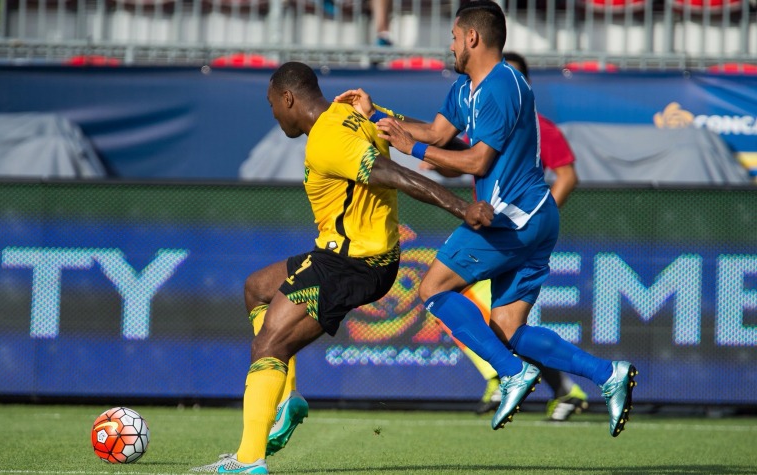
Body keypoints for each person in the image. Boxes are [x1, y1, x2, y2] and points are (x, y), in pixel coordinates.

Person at [335, 0, 636, 437]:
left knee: (433, 287)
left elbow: (476, 161)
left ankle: (511, 375)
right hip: (529, 219)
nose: (450, 45)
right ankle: (608, 373)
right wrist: (376, 112)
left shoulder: (502, 85)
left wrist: (409, 148)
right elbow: (438, 133)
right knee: (507, 328)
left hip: (514, 218)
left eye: (454, 37)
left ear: (472, 38)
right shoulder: (465, 89)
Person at [191, 60, 493, 474]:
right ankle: (287, 402)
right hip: (344, 253)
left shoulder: (328, 138)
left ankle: (248, 462)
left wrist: (463, 208)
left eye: (272, 105)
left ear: (288, 98)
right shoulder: (351, 114)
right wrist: (381, 112)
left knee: (269, 346)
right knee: (257, 288)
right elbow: (417, 131)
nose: (274, 114)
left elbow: (394, 174)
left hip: (353, 262)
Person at [469, 50, 586, 421]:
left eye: (512, 77)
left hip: (514, 238)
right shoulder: (486, 124)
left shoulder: (540, 127)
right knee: (498, 321)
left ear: (526, 84)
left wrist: (533, 220)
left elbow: (567, 176)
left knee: (446, 293)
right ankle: (558, 387)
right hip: (490, 234)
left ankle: (507, 375)